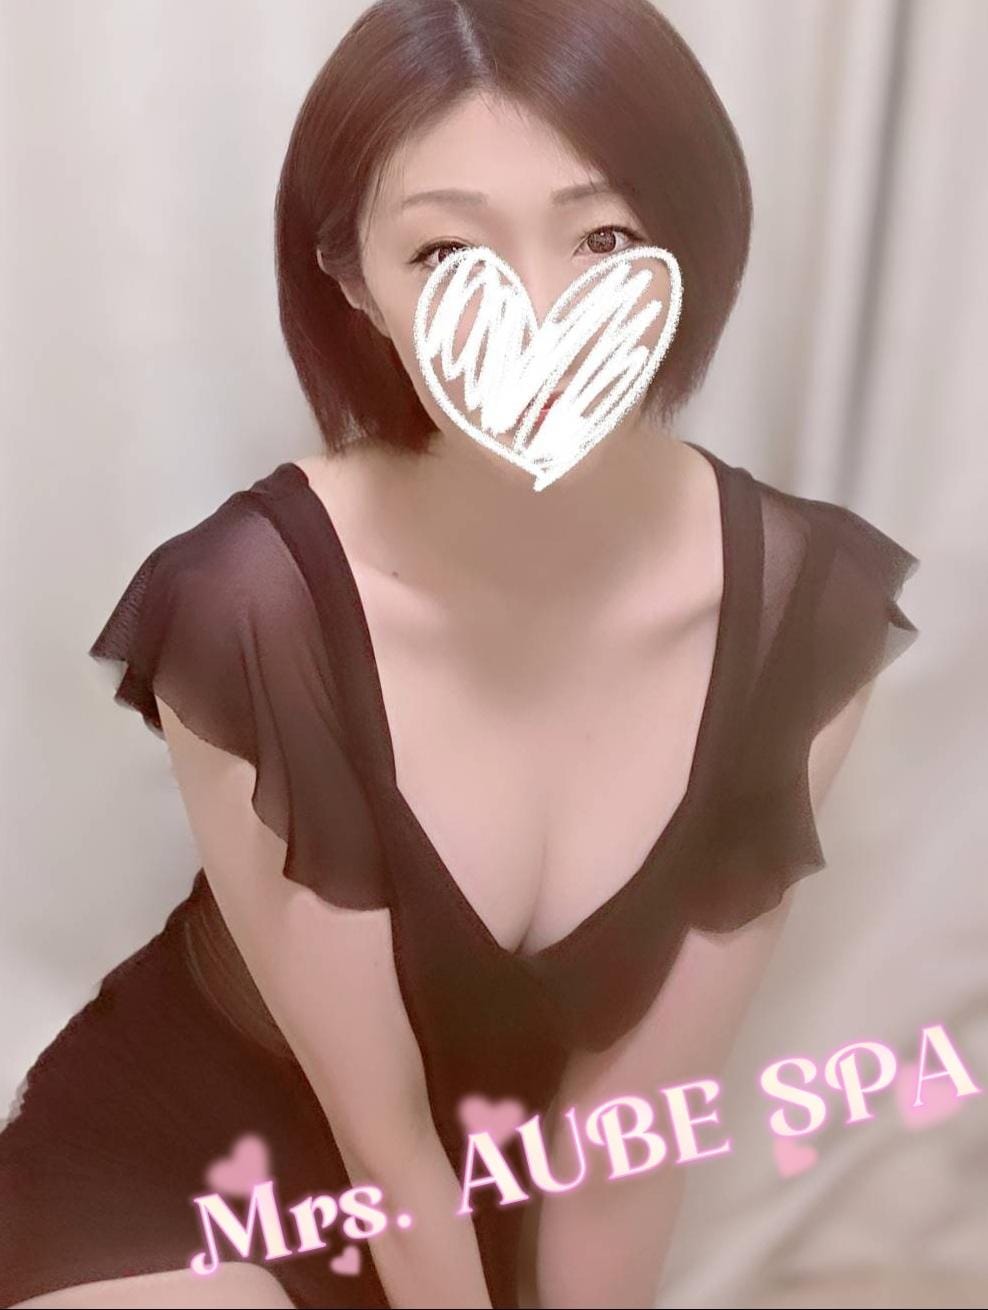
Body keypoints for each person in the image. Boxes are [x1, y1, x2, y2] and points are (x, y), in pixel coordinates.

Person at [0, 2, 921, 1308]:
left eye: (604, 236)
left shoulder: (798, 616)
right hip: (197, 1190)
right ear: (351, 279)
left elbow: (624, 1146)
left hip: (492, 1212)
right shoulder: (249, 607)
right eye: (444, 250)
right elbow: (381, 1138)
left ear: (690, 245)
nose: (536, 313)